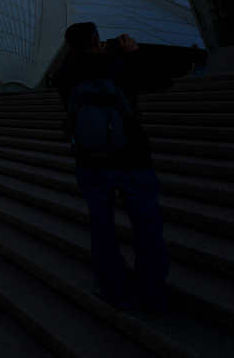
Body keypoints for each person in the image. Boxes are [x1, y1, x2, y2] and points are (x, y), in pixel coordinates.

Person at [51, 22, 170, 310]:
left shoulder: (66, 74)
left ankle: (113, 286)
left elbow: (62, 82)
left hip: (91, 161)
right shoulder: (118, 66)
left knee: (101, 225)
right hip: (132, 156)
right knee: (147, 224)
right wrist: (133, 53)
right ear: (97, 40)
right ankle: (152, 289)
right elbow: (160, 80)